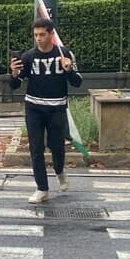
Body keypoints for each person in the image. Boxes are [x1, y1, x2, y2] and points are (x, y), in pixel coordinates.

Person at [9, 17, 83, 204]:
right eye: (35, 35)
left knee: (56, 146)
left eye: (42, 34)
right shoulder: (28, 56)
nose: (38, 38)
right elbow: (15, 85)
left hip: (56, 108)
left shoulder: (64, 53)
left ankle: (59, 171)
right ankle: (42, 188)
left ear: (51, 35)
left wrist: (68, 70)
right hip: (34, 108)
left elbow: (77, 82)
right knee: (36, 148)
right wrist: (14, 74)